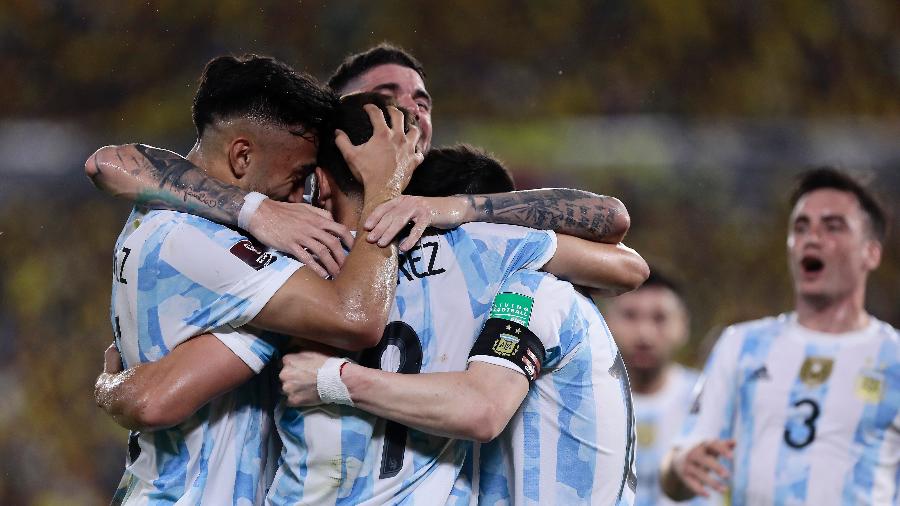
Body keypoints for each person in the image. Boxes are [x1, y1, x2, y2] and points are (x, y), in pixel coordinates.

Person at [95, 93, 648, 504]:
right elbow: (623, 256)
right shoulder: (486, 255)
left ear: (324, 186)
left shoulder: (303, 277)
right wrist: (462, 209)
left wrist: (111, 387)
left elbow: (154, 399)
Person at [93, 55, 423, 505]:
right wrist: (386, 186)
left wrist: (113, 389)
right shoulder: (201, 243)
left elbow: (149, 396)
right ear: (242, 155)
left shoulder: (163, 217)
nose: (297, 197)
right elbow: (357, 315)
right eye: (296, 177)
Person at [660, 168, 899, 505]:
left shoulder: (894, 359)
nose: (811, 238)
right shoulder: (740, 346)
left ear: (871, 253)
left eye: (833, 226)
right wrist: (683, 465)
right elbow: (676, 468)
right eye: (801, 227)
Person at [603, 269, 704, 506]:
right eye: (630, 316)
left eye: (659, 318)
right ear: (605, 321)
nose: (644, 334)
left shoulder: (708, 399)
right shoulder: (585, 399)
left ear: (683, 325)